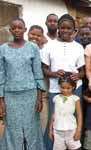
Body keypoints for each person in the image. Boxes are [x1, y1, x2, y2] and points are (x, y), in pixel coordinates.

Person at [0, 17, 46, 150]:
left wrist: (39, 98)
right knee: (13, 128)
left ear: (25, 29)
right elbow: (1, 74)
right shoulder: (2, 49)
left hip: (30, 95)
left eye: (20, 27)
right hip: (10, 96)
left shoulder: (33, 48)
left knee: (31, 128)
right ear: (10, 30)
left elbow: (38, 74)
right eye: (13, 28)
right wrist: (1, 99)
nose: (16, 30)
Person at [41, 14, 85, 150]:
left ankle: (74, 145)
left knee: (74, 119)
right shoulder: (49, 46)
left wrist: (79, 76)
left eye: (69, 28)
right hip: (56, 90)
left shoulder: (78, 47)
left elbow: (82, 71)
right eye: (63, 28)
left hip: (75, 89)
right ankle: (51, 147)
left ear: (74, 30)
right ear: (58, 28)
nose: (65, 31)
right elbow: (44, 69)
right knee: (54, 120)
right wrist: (54, 74)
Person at [49, 72, 82, 150]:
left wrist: (78, 131)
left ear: (73, 87)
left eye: (68, 88)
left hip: (71, 130)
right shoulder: (56, 98)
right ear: (59, 86)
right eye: (62, 88)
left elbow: (79, 115)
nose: (65, 90)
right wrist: (50, 130)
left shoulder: (75, 99)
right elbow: (53, 114)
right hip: (57, 131)